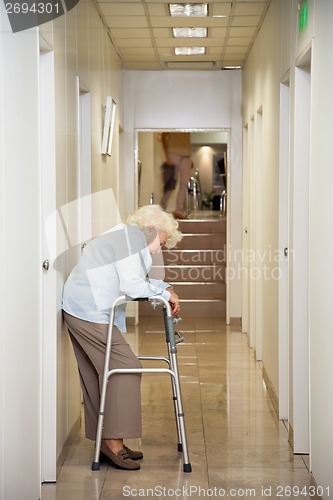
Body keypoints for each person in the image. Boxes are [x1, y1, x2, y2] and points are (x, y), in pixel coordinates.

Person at [62, 205, 182, 470]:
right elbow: (131, 284)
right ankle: (113, 443)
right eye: (160, 243)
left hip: (83, 308)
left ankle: (106, 442)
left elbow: (134, 278)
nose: (159, 250)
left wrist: (165, 288)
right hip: (88, 311)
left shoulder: (127, 236)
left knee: (99, 374)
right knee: (126, 368)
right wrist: (165, 294)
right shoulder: (130, 241)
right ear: (151, 229)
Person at [160, 132, 193, 219]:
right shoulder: (172, 122)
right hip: (173, 153)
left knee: (184, 183)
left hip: (186, 155)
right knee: (170, 184)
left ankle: (178, 210)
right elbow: (163, 135)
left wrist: (190, 158)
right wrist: (166, 156)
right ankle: (161, 209)